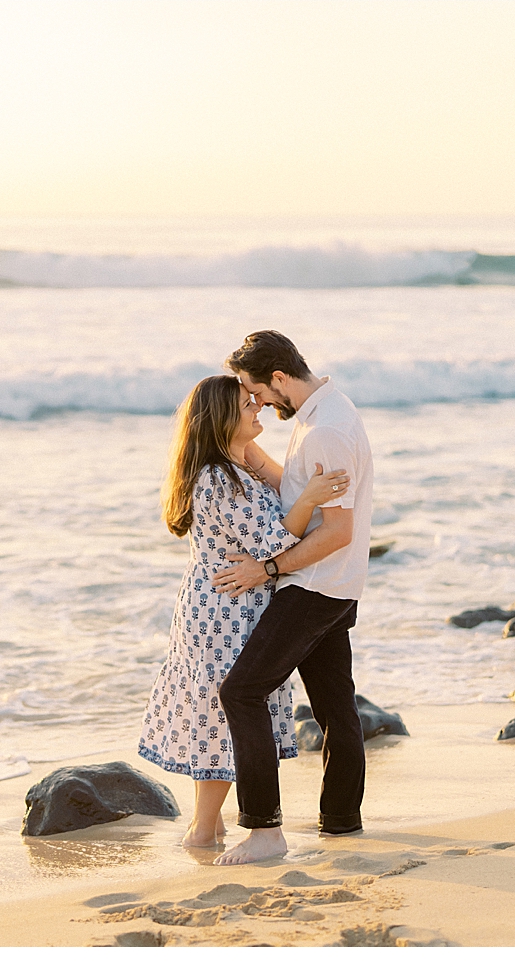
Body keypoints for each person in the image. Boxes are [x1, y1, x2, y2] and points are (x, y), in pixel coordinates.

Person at [138, 374, 351, 847]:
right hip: (224, 610)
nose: (257, 408)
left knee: (218, 708)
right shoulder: (218, 478)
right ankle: (202, 826)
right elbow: (275, 539)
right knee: (222, 713)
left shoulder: (233, 468)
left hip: (225, 605)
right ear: (221, 420)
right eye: (245, 405)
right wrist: (312, 498)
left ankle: (208, 823)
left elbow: (267, 528)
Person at [211, 330, 374, 866]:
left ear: (280, 378)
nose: (256, 402)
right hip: (334, 586)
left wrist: (267, 568)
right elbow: (298, 490)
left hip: (314, 586)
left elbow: (336, 531)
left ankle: (263, 829)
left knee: (241, 692)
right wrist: (242, 450)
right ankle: (342, 822)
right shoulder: (322, 414)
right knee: (334, 710)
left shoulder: (324, 429)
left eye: (257, 392)